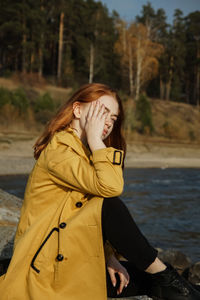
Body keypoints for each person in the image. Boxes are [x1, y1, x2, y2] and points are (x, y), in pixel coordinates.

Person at [0, 83, 199, 300]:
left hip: (66, 260)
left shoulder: (82, 153)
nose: (108, 122)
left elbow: (77, 212)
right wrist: (96, 140)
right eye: (102, 111)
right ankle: (164, 274)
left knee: (145, 281)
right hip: (45, 270)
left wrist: (108, 257)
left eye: (113, 118)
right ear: (77, 110)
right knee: (108, 204)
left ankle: (167, 279)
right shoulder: (59, 151)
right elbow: (110, 189)